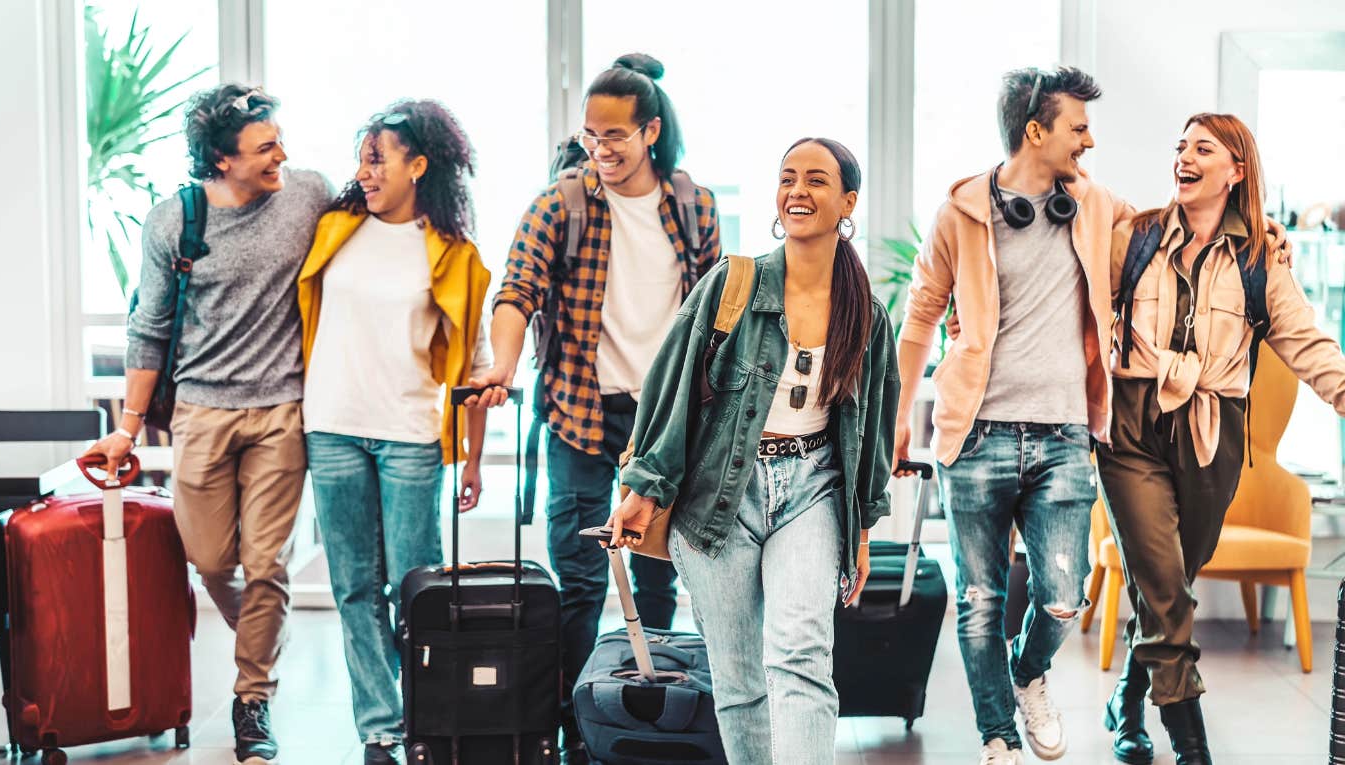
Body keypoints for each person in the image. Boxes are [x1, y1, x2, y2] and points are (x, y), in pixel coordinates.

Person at [607, 137, 898, 765]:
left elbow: (872, 427)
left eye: (817, 181)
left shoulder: (867, 314)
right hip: (720, 496)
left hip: (812, 489)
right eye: (788, 178)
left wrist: (863, 534)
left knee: (800, 655)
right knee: (739, 679)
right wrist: (641, 491)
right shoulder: (733, 287)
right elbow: (672, 390)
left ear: (848, 201)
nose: (798, 191)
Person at [469, 52, 720, 762]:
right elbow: (517, 289)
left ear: (650, 130)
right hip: (581, 412)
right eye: (589, 136)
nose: (601, 150)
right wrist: (504, 361)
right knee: (578, 579)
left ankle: (652, 714)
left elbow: (718, 317)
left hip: (665, 423)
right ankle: (577, 730)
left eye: (614, 136)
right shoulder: (561, 203)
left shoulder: (693, 204)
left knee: (657, 569)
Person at [81, 84, 333, 765]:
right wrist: (128, 428)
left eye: (279, 139)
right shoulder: (175, 222)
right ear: (221, 160)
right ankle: (263, 629)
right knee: (212, 558)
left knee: (266, 562)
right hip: (201, 411)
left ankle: (253, 697)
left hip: (282, 410)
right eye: (264, 148)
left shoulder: (309, 193)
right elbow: (149, 328)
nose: (283, 155)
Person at [893, 67, 1136, 765]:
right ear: (1037, 131)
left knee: (1064, 594)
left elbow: (1162, 233)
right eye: (1077, 126)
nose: (1089, 140)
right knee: (979, 599)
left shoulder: (1091, 205)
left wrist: (1257, 232)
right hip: (976, 436)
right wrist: (900, 419)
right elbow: (919, 318)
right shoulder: (961, 214)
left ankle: (1029, 673)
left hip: (1063, 434)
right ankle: (996, 734)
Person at [1100, 112, 1345, 765]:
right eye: (1179, 145)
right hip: (1130, 425)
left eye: (1202, 147)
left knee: (1170, 582)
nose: (1184, 155)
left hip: (1213, 434)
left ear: (1236, 170)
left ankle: (1127, 698)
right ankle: (1193, 749)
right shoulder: (1136, 236)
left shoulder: (1261, 258)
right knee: (1163, 584)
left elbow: (1305, 341)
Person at [297, 99, 492, 765]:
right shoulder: (334, 229)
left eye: (377, 158)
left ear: (418, 164)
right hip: (332, 428)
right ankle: (380, 729)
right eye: (362, 159)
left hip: (410, 432)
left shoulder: (454, 254)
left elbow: (474, 362)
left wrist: (471, 457)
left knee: (419, 589)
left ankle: (428, 720)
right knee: (354, 587)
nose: (364, 172)